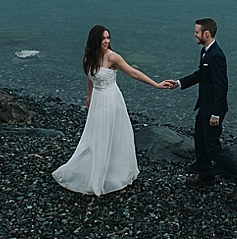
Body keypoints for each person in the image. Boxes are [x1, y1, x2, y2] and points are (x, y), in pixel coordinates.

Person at [53, 25, 175, 196]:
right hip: (98, 100)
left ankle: (111, 172)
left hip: (111, 100)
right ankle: (95, 168)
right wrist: (89, 96)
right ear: (95, 40)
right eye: (103, 38)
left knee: (111, 134)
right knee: (95, 135)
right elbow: (90, 77)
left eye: (108, 37)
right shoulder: (89, 56)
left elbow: (133, 73)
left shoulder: (113, 57)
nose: (107, 41)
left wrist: (156, 85)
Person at [167, 18, 237, 199]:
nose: (194, 34)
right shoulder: (205, 52)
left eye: (197, 32)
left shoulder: (216, 55)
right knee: (199, 140)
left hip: (213, 110)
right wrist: (179, 83)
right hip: (204, 107)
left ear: (207, 34)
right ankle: (206, 177)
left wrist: (216, 113)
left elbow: (222, 86)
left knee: (213, 147)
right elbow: (201, 74)